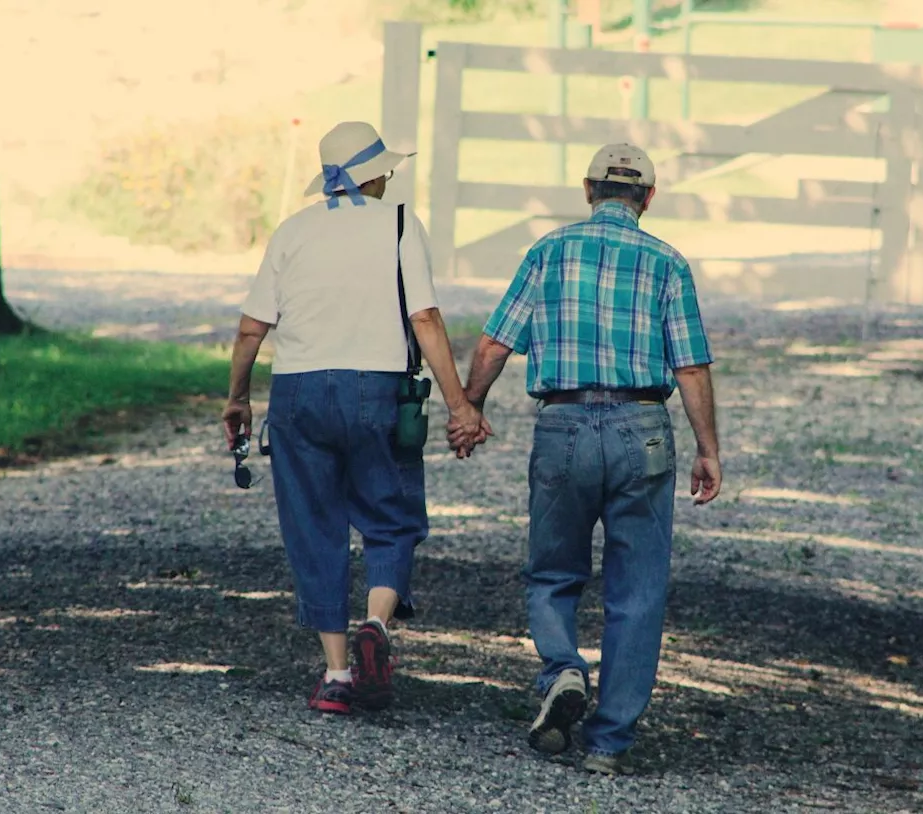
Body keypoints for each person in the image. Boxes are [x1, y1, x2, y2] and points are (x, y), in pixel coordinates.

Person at [451, 144, 722, 775]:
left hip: (564, 424)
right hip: (643, 427)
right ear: (648, 198)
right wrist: (708, 448)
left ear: (587, 190)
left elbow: (495, 343)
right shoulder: (667, 262)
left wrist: (469, 409)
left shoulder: (548, 252)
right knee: (639, 589)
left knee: (552, 572)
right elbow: (690, 364)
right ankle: (609, 743)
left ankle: (563, 669)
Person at [223, 121, 486, 716]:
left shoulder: (291, 232)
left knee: (314, 527)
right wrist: (459, 405)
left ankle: (338, 672)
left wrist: (237, 397)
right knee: (390, 516)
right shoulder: (398, 224)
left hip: (298, 393)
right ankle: (377, 622)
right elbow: (425, 319)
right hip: (377, 388)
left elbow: (250, 328)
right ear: (373, 175)